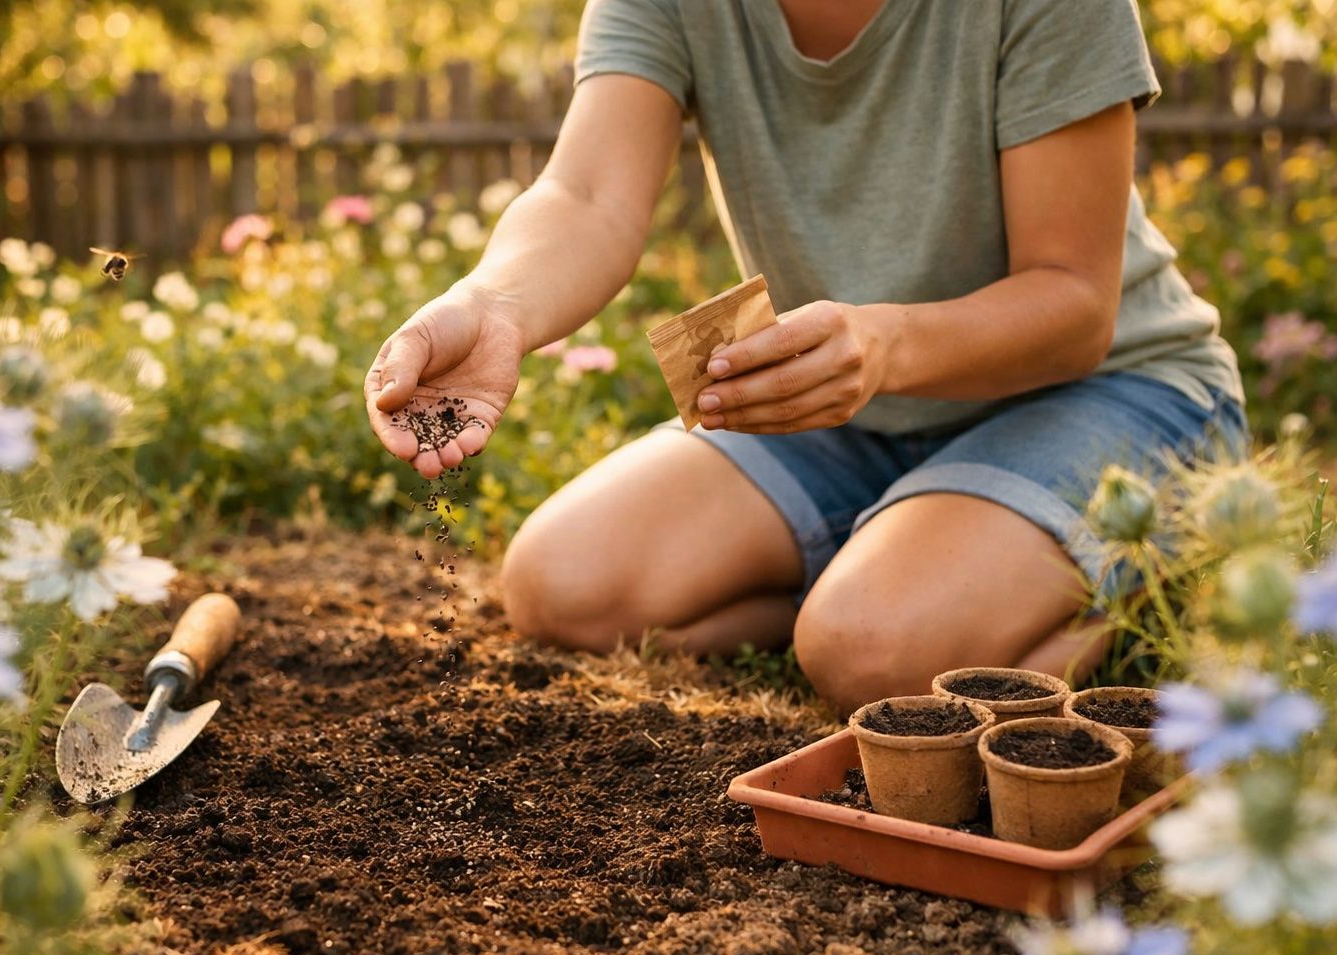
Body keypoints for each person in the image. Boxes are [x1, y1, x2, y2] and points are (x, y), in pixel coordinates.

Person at [363, 0, 1245, 712]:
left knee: (874, 655)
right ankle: (892, 573)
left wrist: (886, 345)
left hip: (1106, 388)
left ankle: (1144, 587)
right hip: (854, 403)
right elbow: (588, 196)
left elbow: (1075, 304)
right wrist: (495, 305)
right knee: (562, 585)